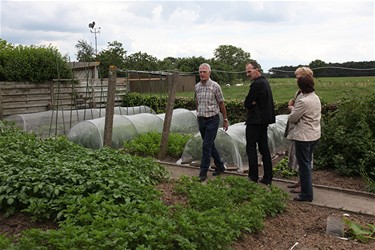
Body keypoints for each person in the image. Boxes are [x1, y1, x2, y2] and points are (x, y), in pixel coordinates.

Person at [287, 74, 321, 202]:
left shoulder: (303, 101)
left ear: (300, 87)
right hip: (314, 135)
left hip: (303, 137)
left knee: (304, 165)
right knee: (306, 164)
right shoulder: (315, 98)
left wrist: (291, 107)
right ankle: (305, 189)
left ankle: (307, 194)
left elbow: (292, 118)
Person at [195, 63, 229, 182]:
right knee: (209, 145)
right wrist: (198, 113)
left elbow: (221, 104)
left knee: (206, 146)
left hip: (212, 120)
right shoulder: (197, 87)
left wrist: (225, 119)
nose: (202, 74)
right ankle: (220, 166)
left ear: (209, 73)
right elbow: (197, 101)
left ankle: (203, 173)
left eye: (204, 72)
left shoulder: (215, 86)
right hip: (201, 120)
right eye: (200, 72)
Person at [244, 60, 275, 185]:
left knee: (251, 148)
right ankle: (268, 177)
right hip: (264, 121)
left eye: (249, 71)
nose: (248, 74)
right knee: (264, 148)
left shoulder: (257, 84)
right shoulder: (265, 82)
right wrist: (253, 102)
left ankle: (253, 176)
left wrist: (252, 103)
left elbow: (247, 103)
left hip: (255, 121)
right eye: (247, 72)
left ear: (257, 69)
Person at [285, 67, 314, 193]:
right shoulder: (301, 92)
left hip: (304, 133)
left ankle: (304, 187)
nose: (296, 79)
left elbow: (296, 114)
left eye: (297, 77)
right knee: (300, 159)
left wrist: (291, 107)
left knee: (304, 161)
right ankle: (300, 182)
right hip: (304, 132)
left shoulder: (305, 95)